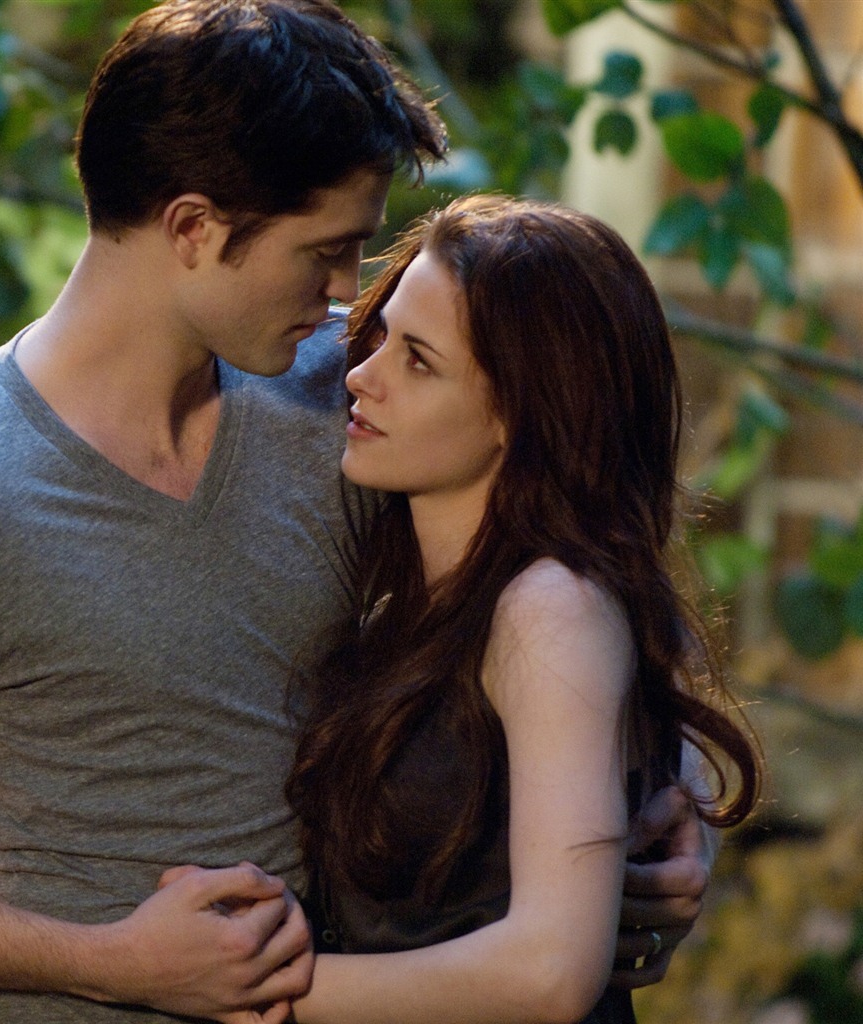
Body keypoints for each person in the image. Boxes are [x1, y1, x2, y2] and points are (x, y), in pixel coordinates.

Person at [0, 3, 712, 1023]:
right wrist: (111, 963)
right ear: (193, 229)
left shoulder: (343, 393)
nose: (346, 293)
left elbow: (573, 561)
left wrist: (663, 803)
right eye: (324, 251)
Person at [279, 194, 762, 1024]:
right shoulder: (417, 604)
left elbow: (552, 971)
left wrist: (257, 995)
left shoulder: (550, 606)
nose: (360, 375)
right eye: (382, 336)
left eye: (418, 361)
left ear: (521, 412)